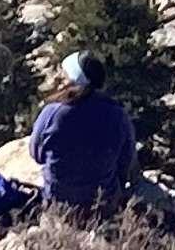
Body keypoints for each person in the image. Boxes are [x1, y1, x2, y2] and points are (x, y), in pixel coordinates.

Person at [28, 48, 138, 215]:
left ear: (73, 81)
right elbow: (126, 162)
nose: (58, 76)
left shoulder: (52, 113)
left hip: (59, 203)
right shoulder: (118, 114)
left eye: (63, 74)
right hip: (103, 205)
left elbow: (36, 154)